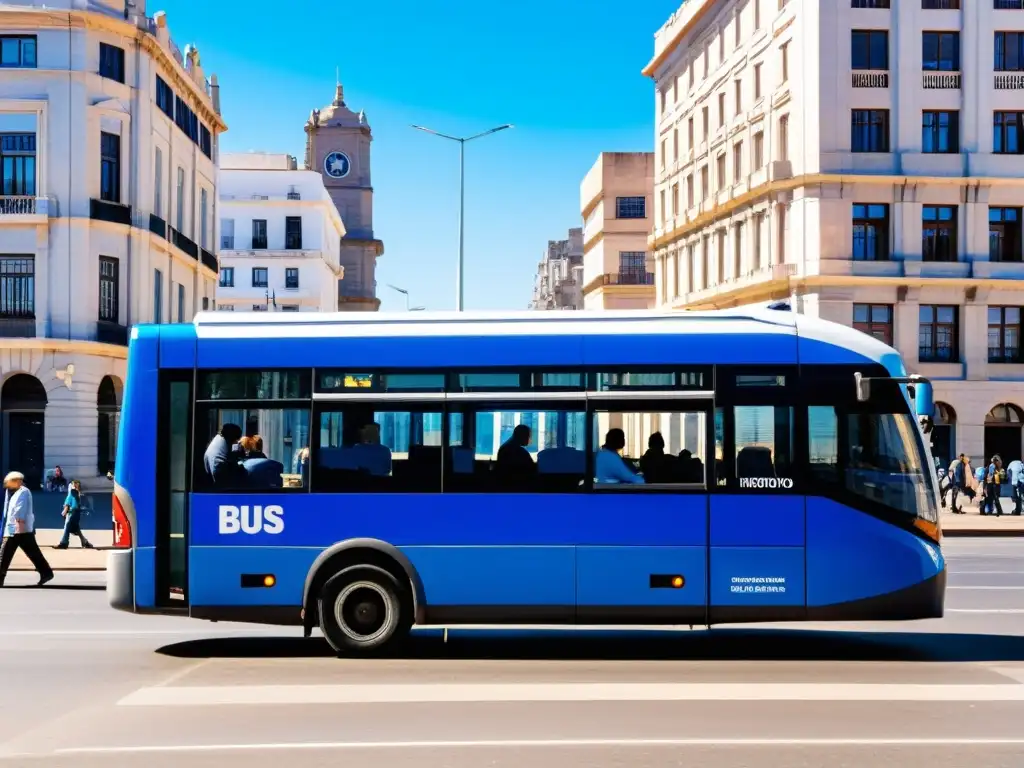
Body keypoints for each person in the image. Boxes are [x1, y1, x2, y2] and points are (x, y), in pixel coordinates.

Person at [0, 471, 53, 587]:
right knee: (33, 552)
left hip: (16, 529)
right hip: (19, 530)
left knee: (4, 553)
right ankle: (46, 572)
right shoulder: (14, 492)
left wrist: (17, 529)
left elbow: (20, 510)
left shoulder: (23, 492)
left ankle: (0, 577)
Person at [56, 479, 93, 549]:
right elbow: (76, 504)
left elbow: (68, 504)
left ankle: (64, 542)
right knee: (76, 528)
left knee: (67, 527)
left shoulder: (72, 493)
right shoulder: (77, 494)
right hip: (76, 513)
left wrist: (64, 511)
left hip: (72, 513)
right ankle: (84, 542)